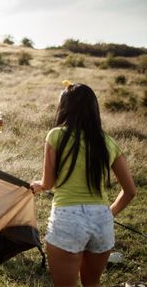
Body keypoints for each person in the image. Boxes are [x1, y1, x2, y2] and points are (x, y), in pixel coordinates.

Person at [30, 82, 135, 287]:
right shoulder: (108, 141)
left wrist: (39, 185)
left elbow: (49, 183)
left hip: (67, 220)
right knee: (92, 284)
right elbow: (130, 191)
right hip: (102, 221)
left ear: (65, 107)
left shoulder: (56, 135)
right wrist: (108, 214)